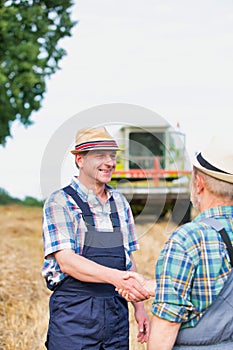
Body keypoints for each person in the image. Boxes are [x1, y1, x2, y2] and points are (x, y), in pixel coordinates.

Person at [118, 134, 233, 349]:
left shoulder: (188, 240)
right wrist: (157, 287)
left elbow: (167, 325)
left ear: (198, 184)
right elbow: (211, 282)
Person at [41, 126, 150, 350]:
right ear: (80, 160)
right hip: (75, 315)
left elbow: (127, 259)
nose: (110, 162)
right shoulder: (60, 202)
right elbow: (67, 262)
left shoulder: (119, 203)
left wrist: (139, 308)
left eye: (112, 155)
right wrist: (118, 278)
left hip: (116, 315)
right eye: (100, 155)